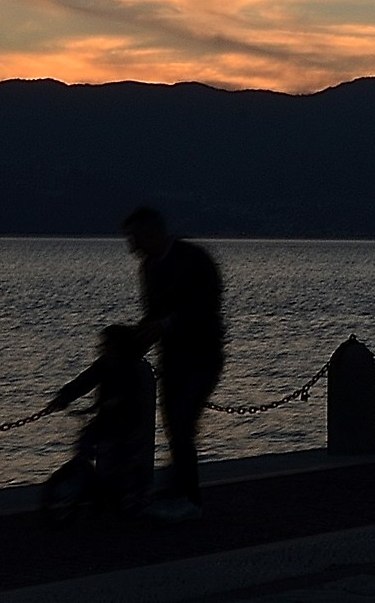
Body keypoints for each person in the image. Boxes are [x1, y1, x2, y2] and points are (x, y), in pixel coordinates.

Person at [122, 205, 226, 518]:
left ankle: (190, 499)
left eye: (136, 238)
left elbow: (208, 306)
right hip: (172, 359)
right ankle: (178, 485)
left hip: (203, 356)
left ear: (153, 233)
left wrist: (167, 324)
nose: (132, 247)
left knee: (181, 423)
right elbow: (152, 314)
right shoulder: (149, 268)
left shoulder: (195, 259)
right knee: (175, 427)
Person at [43, 323, 157, 519]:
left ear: (120, 346)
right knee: (87, 443)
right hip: (107, 418)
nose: (103, 349)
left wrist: (117, 402)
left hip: (129, 422)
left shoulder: (135, 368)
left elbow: (134, 399)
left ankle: (125, 493)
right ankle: (93, 488)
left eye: (108, 345)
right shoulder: (105, 364)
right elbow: (85, 380)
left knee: (118, 455)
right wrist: (64, 397)